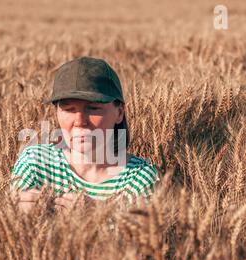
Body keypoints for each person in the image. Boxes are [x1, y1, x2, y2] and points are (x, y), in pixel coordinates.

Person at [10, 56, 159, 213]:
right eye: (68, 109)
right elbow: (6, 225)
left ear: (119, 113)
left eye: (93, 108)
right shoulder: (36, 163)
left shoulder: (138, 177)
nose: (79, 121)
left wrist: (96, 214)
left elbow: (144, 235)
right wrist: (21, 213)